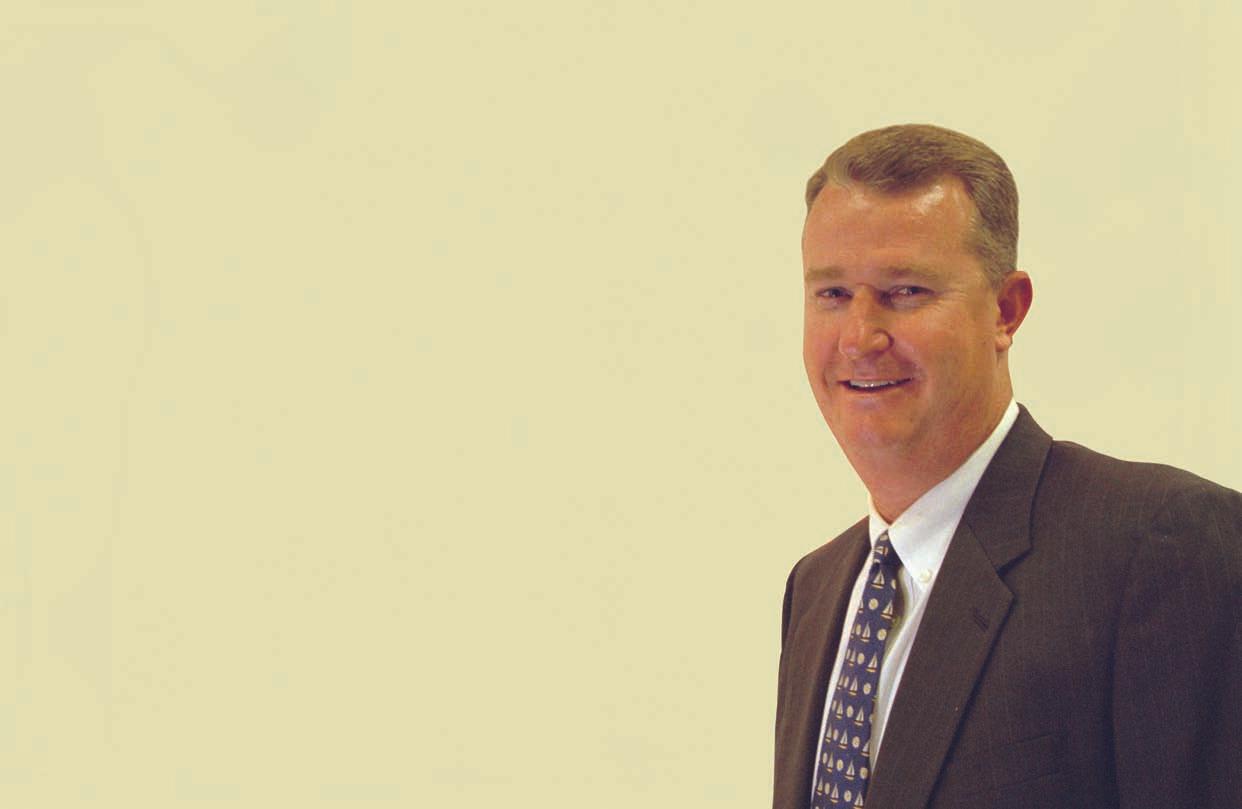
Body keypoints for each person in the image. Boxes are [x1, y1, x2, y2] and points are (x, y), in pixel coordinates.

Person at [773, 124, 1241, 809]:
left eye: (905, 291)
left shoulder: (1161, 547)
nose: (859, 337)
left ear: (1006, 309)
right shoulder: (816, 592)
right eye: (833, 294)